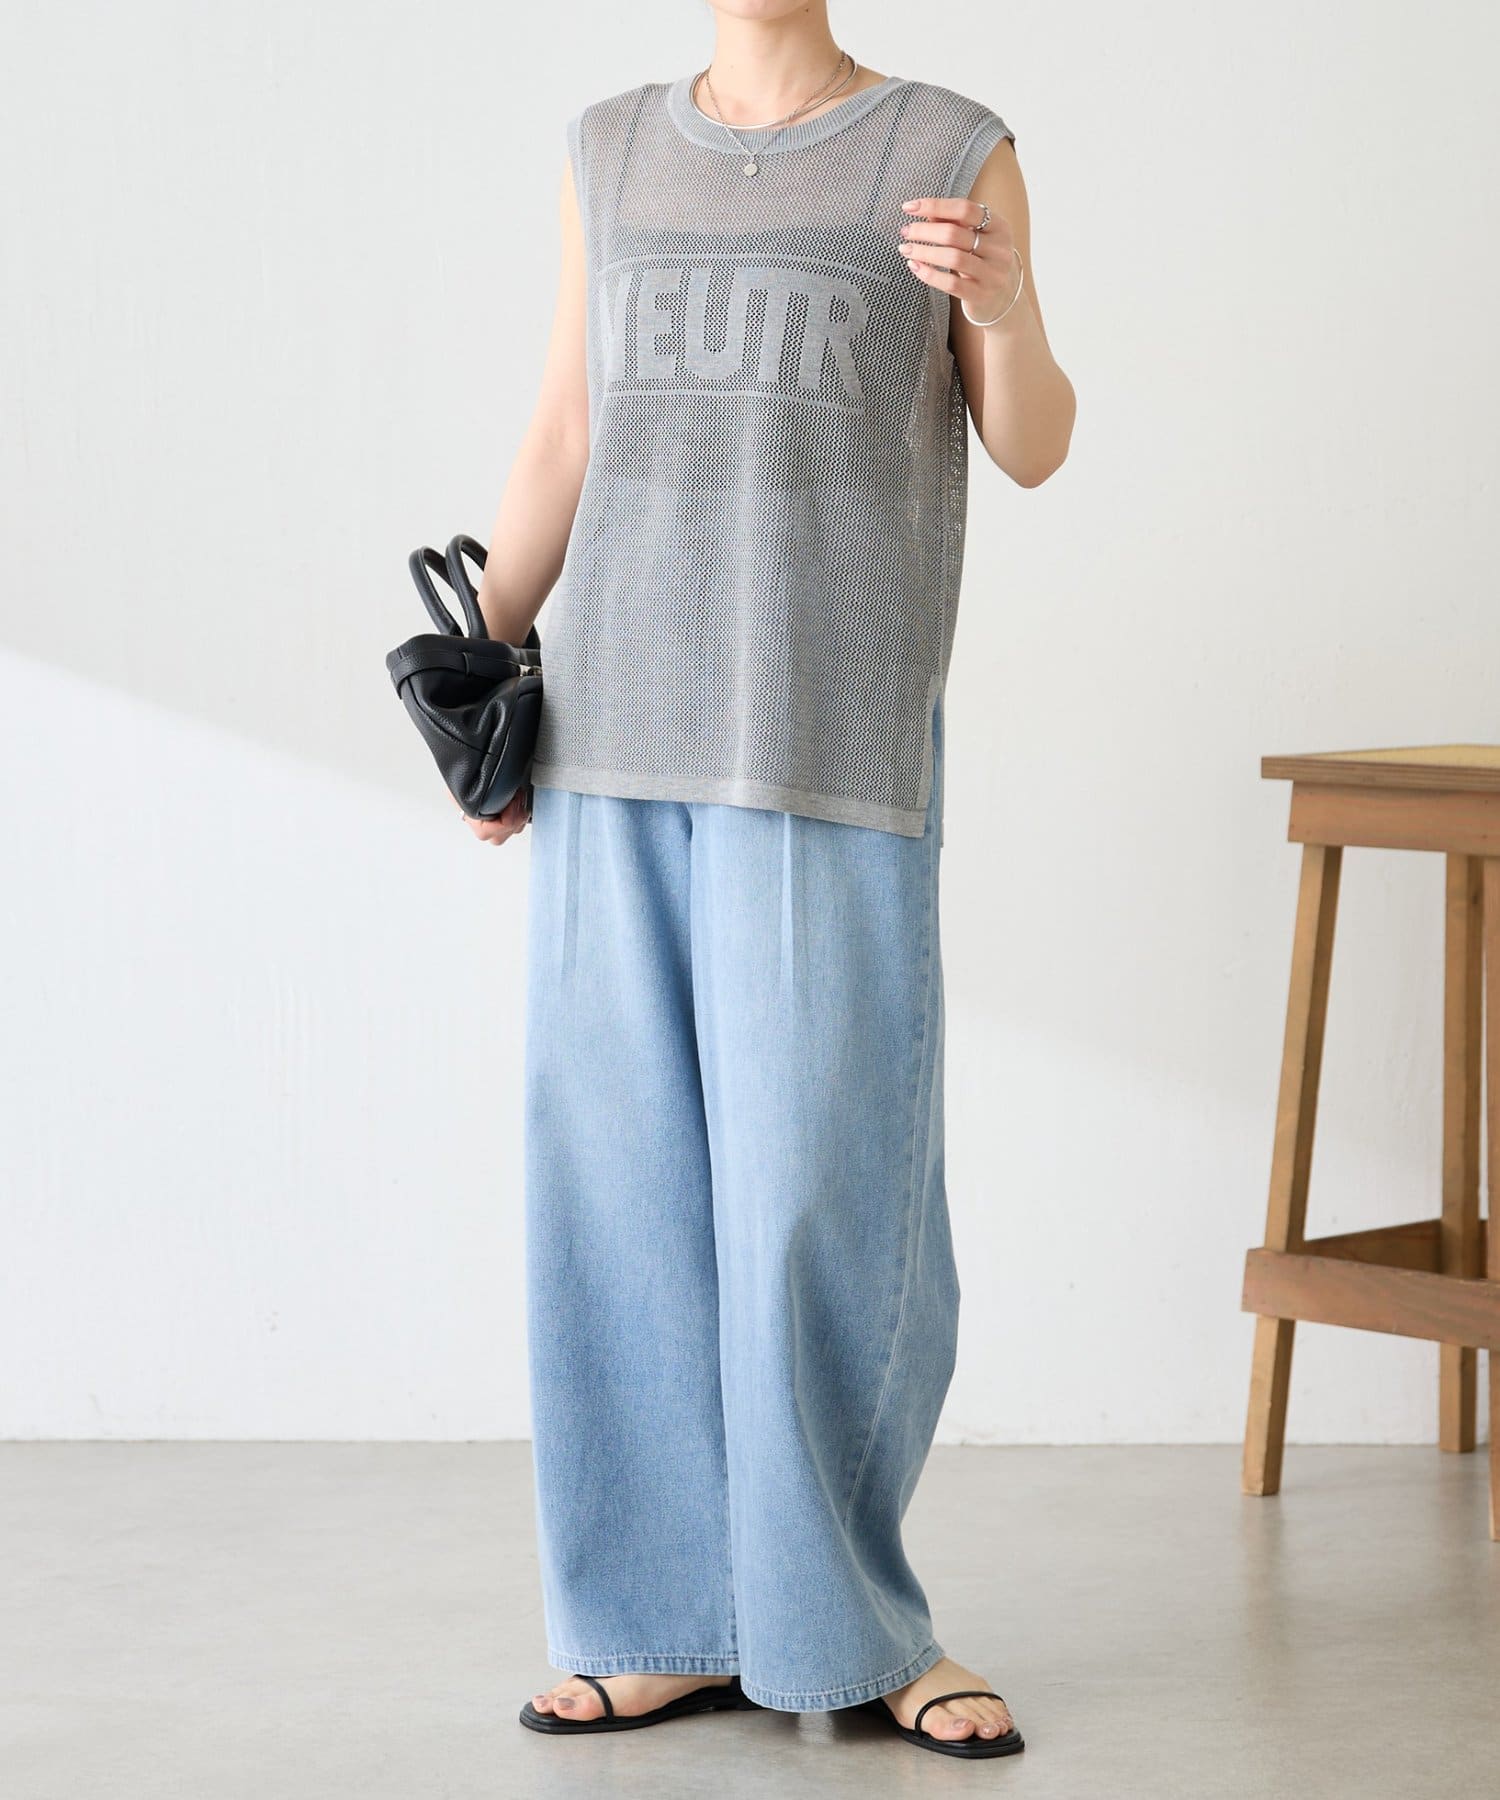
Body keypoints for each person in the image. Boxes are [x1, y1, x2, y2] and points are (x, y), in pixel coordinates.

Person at [465, 3, 1074, 1762]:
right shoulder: (610, 146)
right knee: (621, 1193)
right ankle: (655, 1621)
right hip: (613, 735)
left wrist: (1002, 311)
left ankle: (853, 1626)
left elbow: (1031, 441)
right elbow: (564, 431)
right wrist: (481, 676)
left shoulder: (946, 145)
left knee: (823, 1193)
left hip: (827, 742)